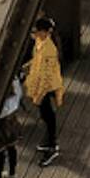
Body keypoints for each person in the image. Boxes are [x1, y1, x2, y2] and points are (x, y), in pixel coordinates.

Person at [23, 17, 65, 167]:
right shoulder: (41, 42)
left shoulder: (49, 50)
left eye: (36, 30)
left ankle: (52, 147)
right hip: (41, 84)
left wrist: (39, 95)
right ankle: (49, 142)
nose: (34, 33)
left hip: (44, 87)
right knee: (46, 115)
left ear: (44, 32)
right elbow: (36, 60)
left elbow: (46, 76)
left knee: (47, 115)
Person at [0, 72, 23, 178]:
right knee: (12, 148)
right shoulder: (15, 81)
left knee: (0, 150)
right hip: (12, 120)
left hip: (2, 122)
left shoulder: (1, 93)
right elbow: (19, 95)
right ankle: (12, 174)